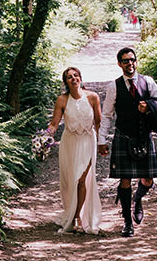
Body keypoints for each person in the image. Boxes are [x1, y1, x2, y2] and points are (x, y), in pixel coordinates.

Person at [97, 46, 157, 236]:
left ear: (136, 61)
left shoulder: (148, 82)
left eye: (132, 60)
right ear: (119, 64)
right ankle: (127, 223)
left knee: (148, 179)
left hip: (143, 136)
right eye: (125, 61)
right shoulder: (113, 86)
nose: (130, 63)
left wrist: (148, 107)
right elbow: (107, 115)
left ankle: (138, 198)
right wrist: (102, 140)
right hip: (123, 136)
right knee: (124, 180)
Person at [44, 66, 102, 234]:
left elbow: (98, 122)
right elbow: (54, 123)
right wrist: (46, 136)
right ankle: (71, 211)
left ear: (80, 78)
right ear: (66, 82)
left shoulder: (92, 97)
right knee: (71, 181)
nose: (74, 79)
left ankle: (77, 218)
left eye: (76, 76)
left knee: (81, 180)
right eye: (69, 77)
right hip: (69, 143)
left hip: (88, 141)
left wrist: (102, 143)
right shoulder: (62, 100)